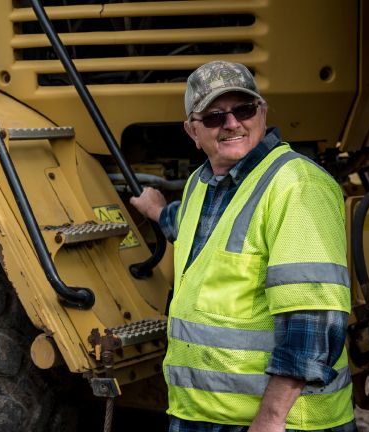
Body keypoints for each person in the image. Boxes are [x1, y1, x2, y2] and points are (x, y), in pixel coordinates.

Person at [130, 61, 356, 431]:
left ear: (262, 112)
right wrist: (158, 212)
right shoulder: (201, 185)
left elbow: (312, 318)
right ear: (192, 130)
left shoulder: (298, 186)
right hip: (199, 416)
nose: (233, 123)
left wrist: (270, 418)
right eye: (215, 116)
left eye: (244, 109)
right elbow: (197, 232)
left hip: (282, 422)